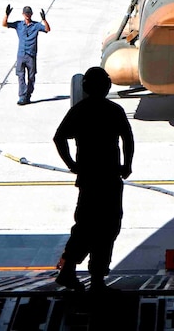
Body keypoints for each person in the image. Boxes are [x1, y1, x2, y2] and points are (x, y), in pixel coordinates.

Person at [53, 66, 134, 293]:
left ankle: (70, 270)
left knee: (86, 225)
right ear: (107, 86)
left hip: (90, 178)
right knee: (107, 226)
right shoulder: (113, 110)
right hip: (108, 177)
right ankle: (96, 277)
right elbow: (127, 138)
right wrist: (127, 164)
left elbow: (59, 138)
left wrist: (72, 165)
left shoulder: (80, 110)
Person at [3, 4, 50, 105]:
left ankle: (28, 95)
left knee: (31, 77)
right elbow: (5, 24)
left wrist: (44, 20)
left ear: (31, 14)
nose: (27, 15)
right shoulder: (19, 24)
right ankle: (22, 96)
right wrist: (6, 15)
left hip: (31, 55)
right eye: (25, 13)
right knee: (20, 76)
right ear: (23, 14)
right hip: (21, 54)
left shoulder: (36, 25)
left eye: (29, 13)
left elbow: (47, 29)